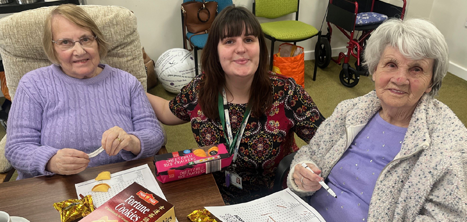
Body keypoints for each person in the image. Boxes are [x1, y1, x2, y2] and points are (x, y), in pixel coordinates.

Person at [288, 18, 467, 221]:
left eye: (416, 69)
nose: (400, 79)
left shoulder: (450, 142)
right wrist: (301, 175)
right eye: (391, 64)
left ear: (431, 82)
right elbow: (309, 154)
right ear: (374, 70)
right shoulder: (350, 111)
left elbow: (448, 216)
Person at [147, 5, 324, 204]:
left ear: (260, 46)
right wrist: (131, 88)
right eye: (229, 41)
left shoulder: (286, 92)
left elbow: (329, 143)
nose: (241, 49)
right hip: (216, 195)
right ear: (215, 50)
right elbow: (165, 110)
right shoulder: (200, 88)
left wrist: (305, 167)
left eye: (249, 39)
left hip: (274, 198)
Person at [5, 4, 164, 180]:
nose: (79, 51)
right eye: (65, 42)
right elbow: (16, 148)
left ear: (97, 42)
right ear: (53, 49)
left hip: (120, 183)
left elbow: (155, 133)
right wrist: (50, 160)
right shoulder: (33, 85)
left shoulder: (126, 82)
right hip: (55, 188)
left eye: (86, 39)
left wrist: (133, 141)